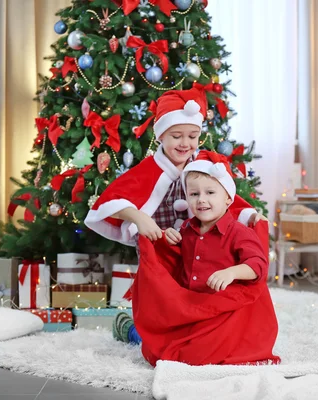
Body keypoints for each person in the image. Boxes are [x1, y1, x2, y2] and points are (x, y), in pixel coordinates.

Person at [84, 88, 267, 343]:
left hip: (194, 245)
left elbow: (223, 196)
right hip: (159, 246)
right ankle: (136, 330)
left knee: (189, 301)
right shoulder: (149, 169)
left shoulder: (201, 165)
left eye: (192, 136)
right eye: (176, 136)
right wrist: (140, 218)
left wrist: (248, 215)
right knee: (161, 299)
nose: (185, 143)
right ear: (161, 136)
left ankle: (186, 333)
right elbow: (112, 200)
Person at [130, 151, 280, 366]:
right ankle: (131, 329)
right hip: (193, 307)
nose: (201, 200)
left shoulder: (238, 232)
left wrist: (232, 272)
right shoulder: (187, 230)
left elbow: (258, 266)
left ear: (228, 198)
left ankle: (134, 331)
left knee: (195, 355)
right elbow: (175, 260)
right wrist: (167, 238)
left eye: (210, 192)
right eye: (193, 194)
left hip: (224, 310)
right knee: (160, 347)